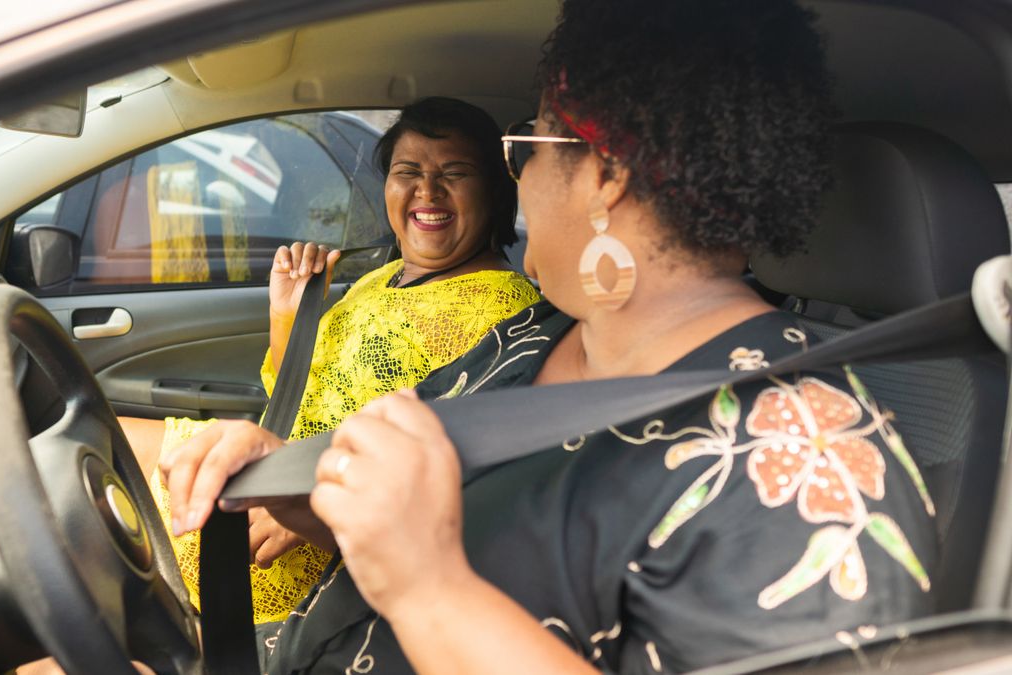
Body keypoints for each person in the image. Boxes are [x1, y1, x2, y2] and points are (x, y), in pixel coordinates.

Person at [161, 0, 940, 672]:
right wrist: (292, 474)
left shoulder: (803, 467)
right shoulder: (534, 334)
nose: (520, 176)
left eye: (527, 143)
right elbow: (402, 513)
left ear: (605, 173)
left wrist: (432, 588)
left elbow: (425, 559)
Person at [125, 97, 540, 623]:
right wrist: (288, 319)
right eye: (407, 172)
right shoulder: (381, 278)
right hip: (276, 474)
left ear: (497, 191)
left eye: (454, 174)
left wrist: (308, 502)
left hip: (313, 542)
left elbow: (451, 468)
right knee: (89, 446)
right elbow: (301, 401)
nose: (427, 192)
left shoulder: (501, 306)